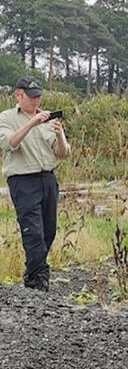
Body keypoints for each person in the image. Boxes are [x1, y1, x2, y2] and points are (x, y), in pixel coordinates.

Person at [0, 76, 71, 291]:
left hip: (48, 178)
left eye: (38, 97)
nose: (36, 102)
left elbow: (63, 153)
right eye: (31, 97)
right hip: (23, 180)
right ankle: (38, 281)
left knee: (49, 231)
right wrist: (31, 123)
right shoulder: (7, 117)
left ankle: (33, 275)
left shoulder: (47, 118)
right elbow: (9, 143)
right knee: (33, 232)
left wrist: (59, 135)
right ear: (18, 95)